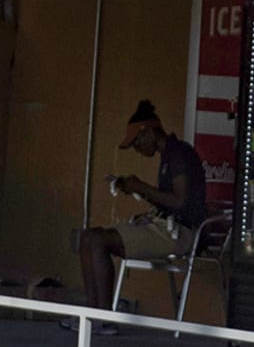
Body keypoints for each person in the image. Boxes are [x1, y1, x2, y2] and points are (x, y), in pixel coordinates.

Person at [71, 100, 208, 329]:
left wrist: (141, 187)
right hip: (164, 226)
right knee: (87, 236)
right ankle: (90, 315)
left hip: (181, 232)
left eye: (136, 142)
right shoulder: (168, 155)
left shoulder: (179, 154)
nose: (137, 148)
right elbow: (168, 201)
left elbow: (180, 202)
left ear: (148, 132)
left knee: (97, 240)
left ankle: (103, 320)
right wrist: (138, 191)